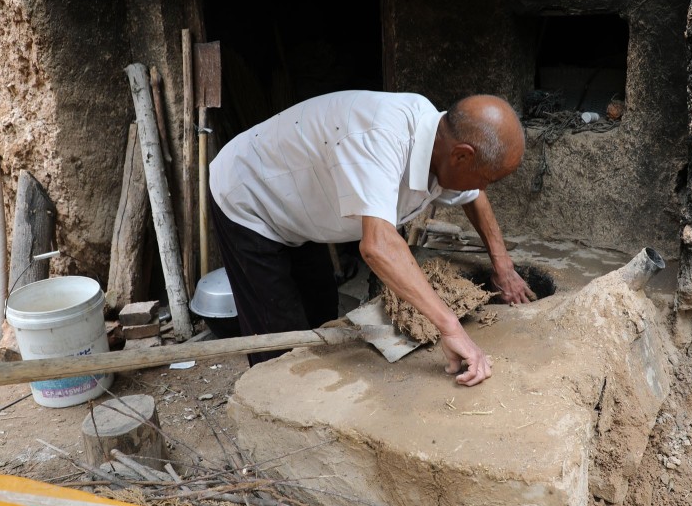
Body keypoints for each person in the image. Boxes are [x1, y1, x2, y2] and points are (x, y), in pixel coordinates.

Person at [207, 90, 535, 386]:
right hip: (250, 196)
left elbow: (473, 196)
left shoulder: (439, 138)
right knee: (279, 338)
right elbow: (378, 246)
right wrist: (450, 327)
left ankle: (315, 390)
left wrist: (503, 267)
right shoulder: (379, 140)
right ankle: (275, 417)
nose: (485, 187)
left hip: (301, 204)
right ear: (462, 155)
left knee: (319, 304)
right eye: (489, 178)